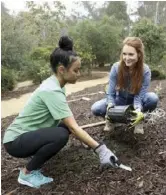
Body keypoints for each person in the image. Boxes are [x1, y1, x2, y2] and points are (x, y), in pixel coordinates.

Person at [3, 36, 119, 189]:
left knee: (64, 127)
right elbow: (73, 128)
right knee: (62, 134)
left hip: (26, 135)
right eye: (76, 70)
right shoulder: (52, 90)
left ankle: (36, 153)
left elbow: (69, 123)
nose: (79, 74)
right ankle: (27, 173)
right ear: (61, 69)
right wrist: (100, 149)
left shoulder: (56, 84)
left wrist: (85, 141)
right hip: (15, 142)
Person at [91, 37, 159, 134]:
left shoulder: (145, 70)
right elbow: (110, 92)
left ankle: (138, 120)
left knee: (153, 98)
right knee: (96, 108)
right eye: (124, 54)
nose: (127, 58)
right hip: (120, 100)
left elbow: (139, 96)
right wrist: (110, 106)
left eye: (131, 54)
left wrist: (138, 109)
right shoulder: (116, 67)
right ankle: (113, 120)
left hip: (135, 100)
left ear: (139, 54)